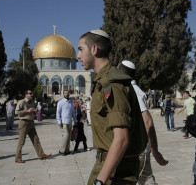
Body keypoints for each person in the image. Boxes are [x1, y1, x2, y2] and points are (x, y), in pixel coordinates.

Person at [77, 29, 147, 185]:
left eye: (81, 49)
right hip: (108, 165)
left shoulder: (112, 83)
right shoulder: (103, 81)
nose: (78, 56)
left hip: (116, 171)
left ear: (94, 49)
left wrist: (101, 180)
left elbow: (122, 138)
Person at [118, 60, 168, 185]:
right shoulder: (132, 90)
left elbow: (148, 121)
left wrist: (154, 149)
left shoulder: (133, 91)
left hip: (135, 150)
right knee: (146, 178)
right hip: (138, 149)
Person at [15, 90, 51, 163]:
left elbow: (33, 112)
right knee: (21, 141)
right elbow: (16, 112)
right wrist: (26, 111)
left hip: (31, 122)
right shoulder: (21, 102)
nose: (32, 94)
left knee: (35, 139)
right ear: (26, 95)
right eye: (30, 93)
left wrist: (37, 110)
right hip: (24, 123)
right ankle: (18, 158)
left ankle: (41, 154)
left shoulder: (32, 103)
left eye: (32, 93)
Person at [56, 90, 77, 156]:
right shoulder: (60, 102)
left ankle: (67, 150)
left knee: (69, 136)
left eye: (68, 93)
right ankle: (62, 150)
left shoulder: (71, 102)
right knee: (66, 135)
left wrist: (75, 120)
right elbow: (58, 112)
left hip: (70, 122)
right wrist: (59, 121)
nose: (66, 94)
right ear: (63, 94)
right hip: (63, 122)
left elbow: (73, 113)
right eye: (65, 93)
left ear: (69, 94)